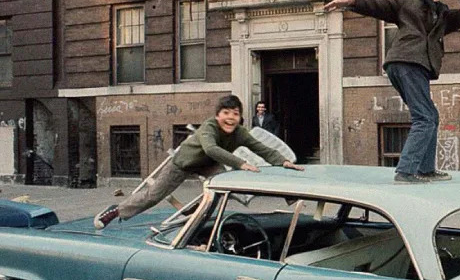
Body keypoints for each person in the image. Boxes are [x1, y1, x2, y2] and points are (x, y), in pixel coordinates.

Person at [324, 0, 460, 184]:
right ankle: (405, 171)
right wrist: (351, 1)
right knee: (424, 117)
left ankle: (425, 170)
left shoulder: (441, 14)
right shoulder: (408, 2)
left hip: (416, 66)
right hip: (406, 61)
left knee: (430, 116)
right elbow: (379, 5)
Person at [94, 95, 304, 229]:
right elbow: (210, 148)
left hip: (210, 163)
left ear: (240, 117)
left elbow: (263, 149)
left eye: (235, 114)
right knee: (154, 195)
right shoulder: (209, 127)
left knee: (224, 187)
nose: (230, 118)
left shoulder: (240, 132)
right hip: (184, 162)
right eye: (225, 114)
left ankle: (199, 217)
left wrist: (284, 161)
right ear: (217, 115)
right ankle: (117, 210)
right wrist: (240, 163)